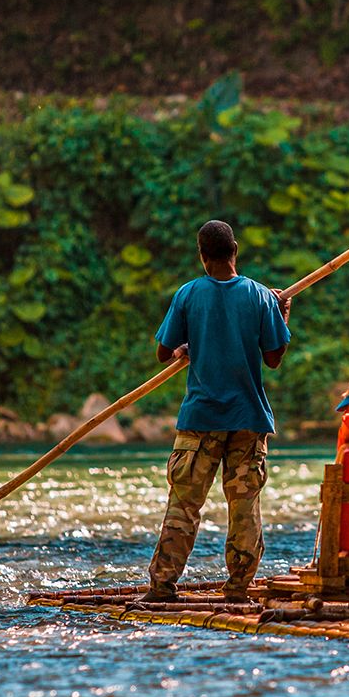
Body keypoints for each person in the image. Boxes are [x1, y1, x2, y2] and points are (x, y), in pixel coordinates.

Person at [144, 220, 291, 602]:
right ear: (235, 251)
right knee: (244, 508)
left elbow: (163, 351)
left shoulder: (189, 294)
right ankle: (238, 588)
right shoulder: (261, 297)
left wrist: (182, 349)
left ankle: (161, 586)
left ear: (203, 256)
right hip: (248, 420)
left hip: (200, 421)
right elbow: (273, 358)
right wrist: (282, 313)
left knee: (184, 505)